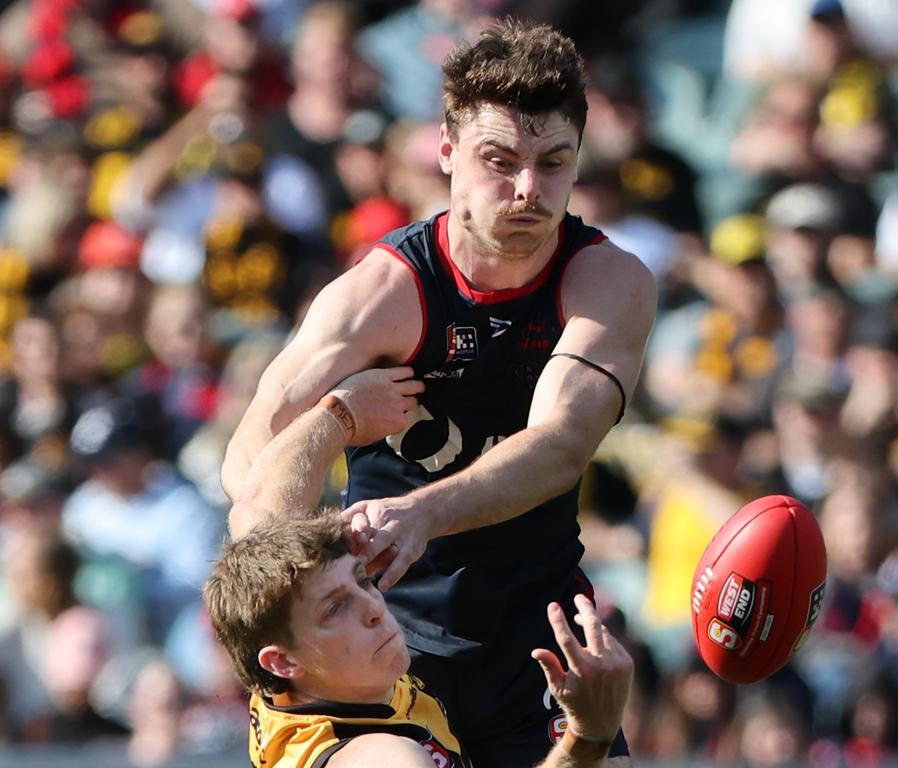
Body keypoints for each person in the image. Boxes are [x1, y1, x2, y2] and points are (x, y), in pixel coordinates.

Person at [222, 18, 656, 768]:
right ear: (447, 152)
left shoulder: (609, 282)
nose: (528, 190)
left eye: (554, 163)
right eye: (500, 160)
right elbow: (251, 486)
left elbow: (558, 447)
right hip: (387, 646)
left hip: (538, 630)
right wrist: (335, 419)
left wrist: (423, 511)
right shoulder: (384, 295)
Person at [213, 367, 632, 767]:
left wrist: (341, 414)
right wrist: (590, 734)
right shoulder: (384, 757)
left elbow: (259, 513)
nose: (376, 608)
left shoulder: (293, 686)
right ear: (282, 663)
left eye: (363, 581)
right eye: (334, 609)